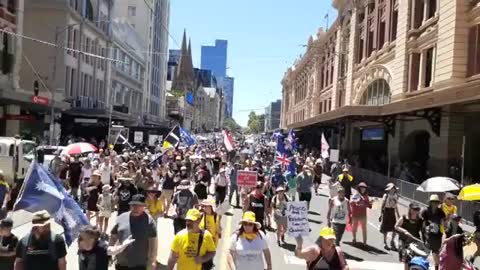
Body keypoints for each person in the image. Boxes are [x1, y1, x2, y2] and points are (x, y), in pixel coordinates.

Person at [110, 194, 158, 270]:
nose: (136, 208)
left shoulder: (149, 221)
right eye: (133, 205)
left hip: (140, 263)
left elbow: (153, 244)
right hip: (122, 261)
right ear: (130, 206)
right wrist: (110, 253)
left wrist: (152, 261)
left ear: (143, 207)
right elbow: (113, 236)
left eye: (139, 206)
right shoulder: (121, 218)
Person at [395, 203, 424, 270]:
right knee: (406, 258)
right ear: (410, 209)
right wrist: (404, 231)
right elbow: (396, 226)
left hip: (415, 241)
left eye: (417, 209)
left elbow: (423, 231)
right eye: (414, 209)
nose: (415, 211)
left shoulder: (420, 220)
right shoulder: (404, 218)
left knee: (414, 259)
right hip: (404, 241)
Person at [421, 194, 446, 270]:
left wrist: (442, 233)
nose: (435, 203)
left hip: (437, 235)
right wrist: (424, 233)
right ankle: (422, 267)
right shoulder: (425, 211)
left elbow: (442, 223)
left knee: (435, 253)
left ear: (438, 203)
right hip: (428, 234)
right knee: (425, 253)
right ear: (430, 202)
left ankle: (436, 268)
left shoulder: (440, 212)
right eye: (433, 202)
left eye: (436, 202)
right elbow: (423, 223)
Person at [380, 183, 400, 250]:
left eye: (394, 188)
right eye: (392, 188)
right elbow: (382, 205)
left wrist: (398, 214)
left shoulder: (396, 196)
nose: (393, 190)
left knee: (395, 228)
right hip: (386, 212)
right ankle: (385, 242)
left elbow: (396, 206)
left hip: (392, 212)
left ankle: (392, 241)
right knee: (385, 229)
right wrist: (381, 214)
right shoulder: (386, 195)